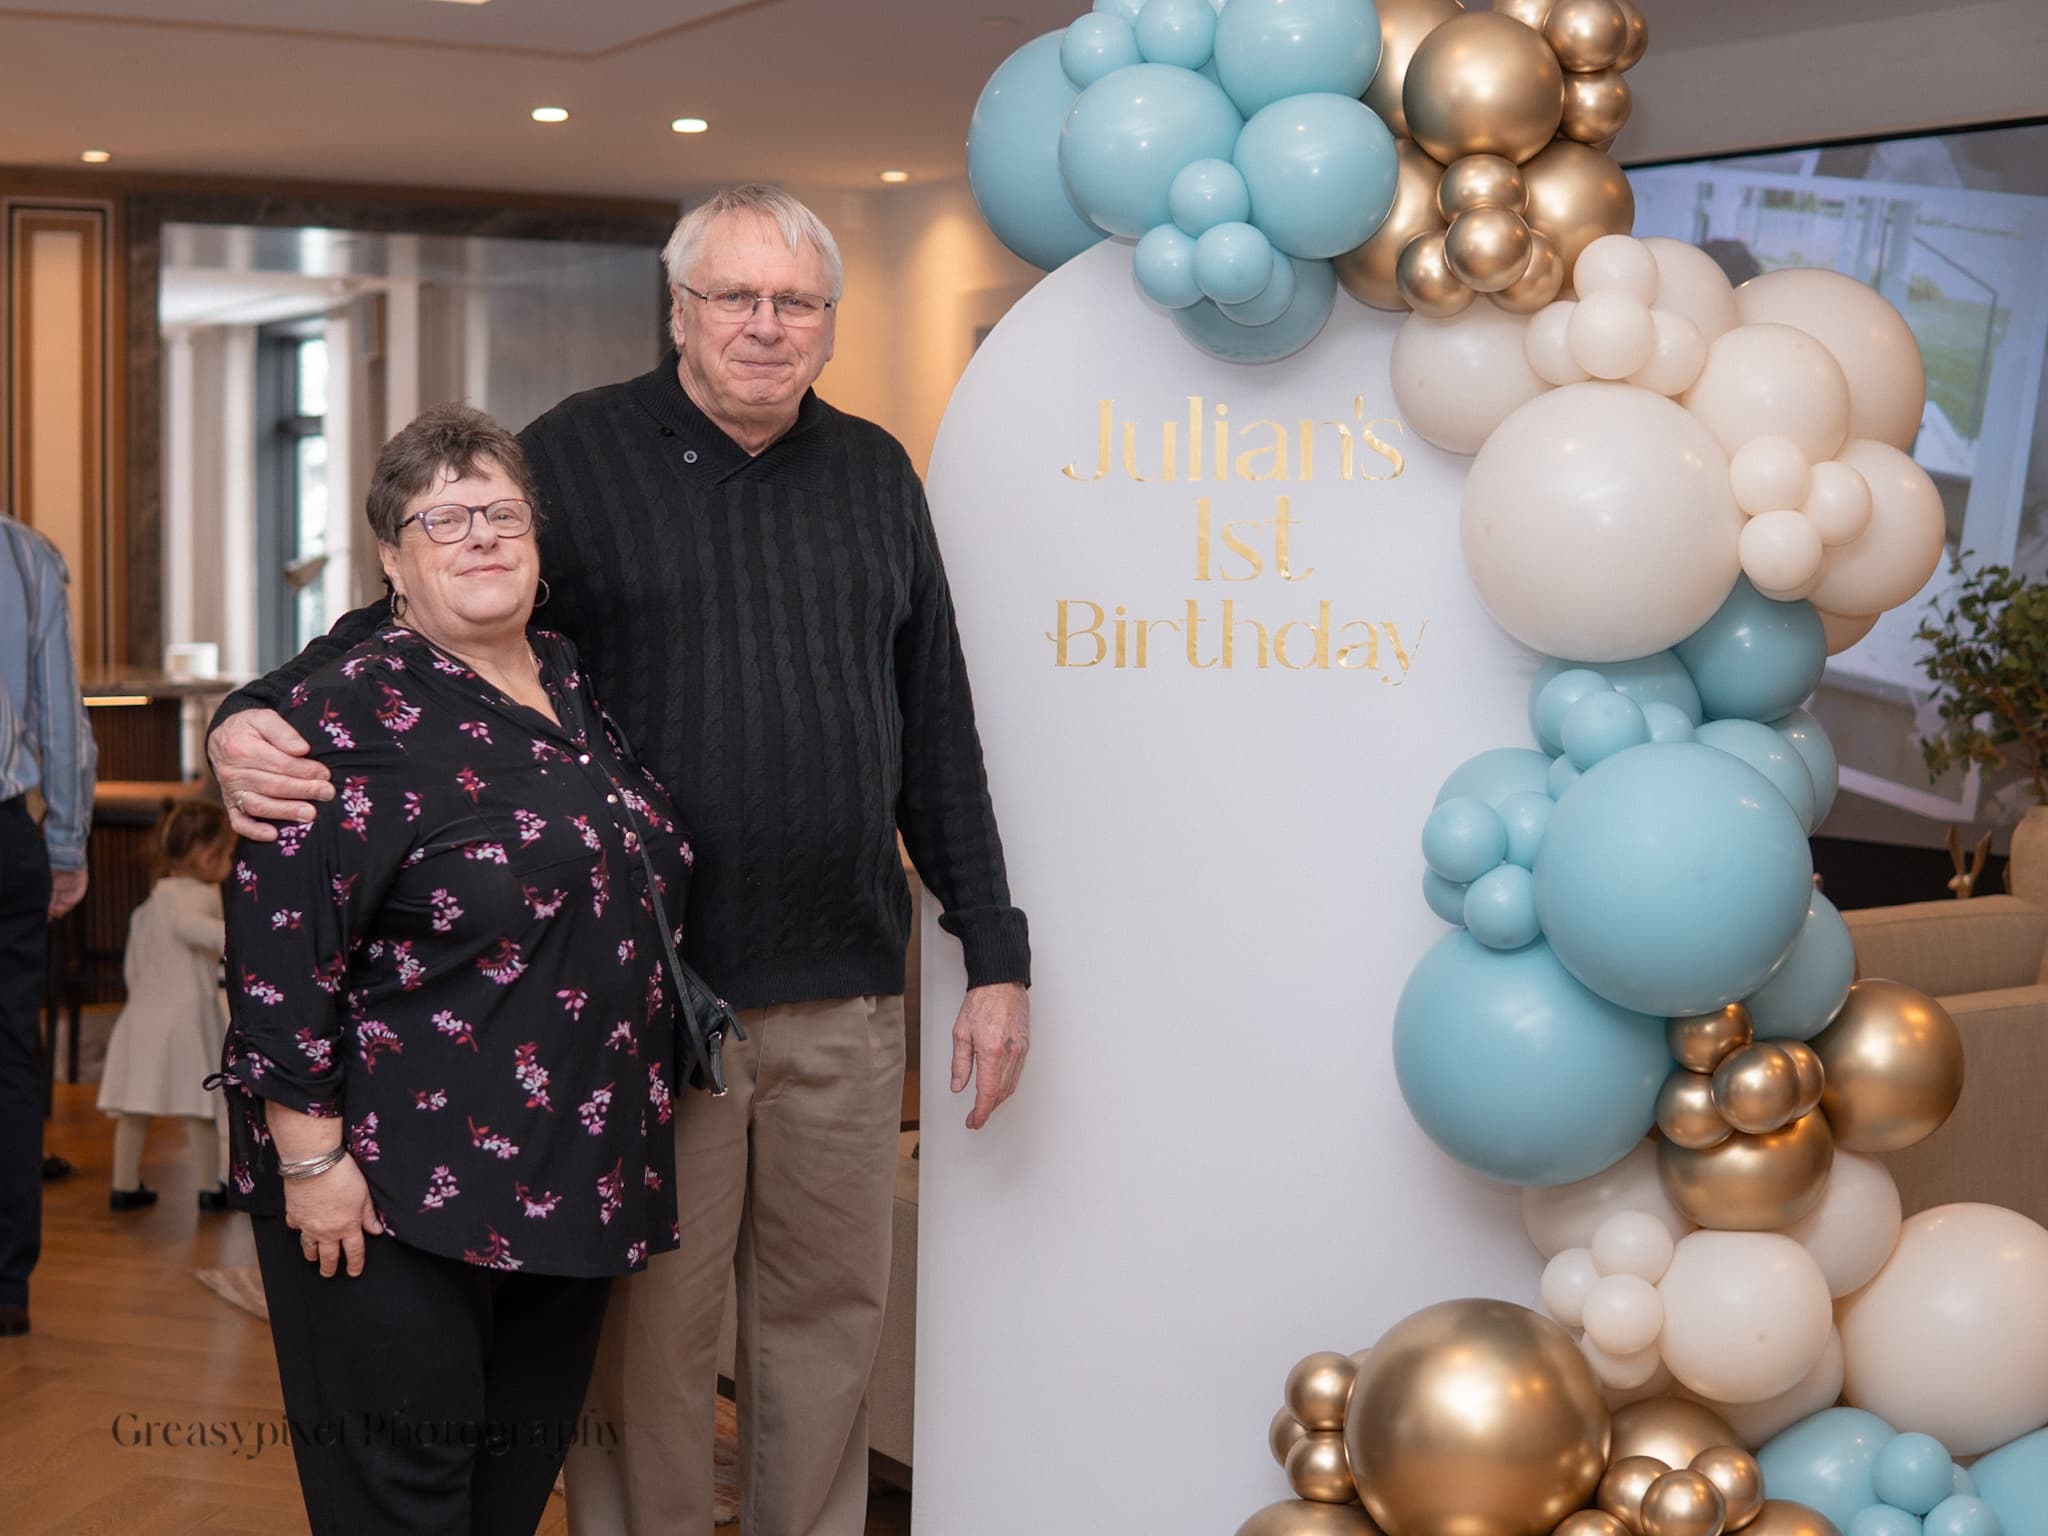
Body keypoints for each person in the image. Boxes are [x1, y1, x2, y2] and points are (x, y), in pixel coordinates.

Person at [208, 184, 1032, 1536]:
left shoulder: (881, 472)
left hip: (844, 989)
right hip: (645, 1005)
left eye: (796, 303)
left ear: (829, 323)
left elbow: (934, 720)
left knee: (832, 1327)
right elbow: (429, 596)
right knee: (648, 1347)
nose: (766, 326)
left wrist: (989, 949)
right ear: (681, 312)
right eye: (735, 298)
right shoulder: (576, 459)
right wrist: (255, 712)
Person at [213, 404, 693, 1536]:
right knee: (403, 1502)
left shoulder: (568, 682)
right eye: (442, 519)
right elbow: (278, 961)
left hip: (575, 1177)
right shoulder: (330, 718)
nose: (478, 537)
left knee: (504, 1499)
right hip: (388, 1191)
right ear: (391, 557)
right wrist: (312, 1158)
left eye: (500, 513)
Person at [0, 511, 96, 1339]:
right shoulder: (24, 555)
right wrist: (65, 842)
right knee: (9, 1058)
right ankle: (4, 1288)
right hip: (4, 837)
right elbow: (63, 719)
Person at [96, 798, 235, 1213]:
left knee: (136, 1106)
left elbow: (133, 967)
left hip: (143, 1014)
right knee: (200, 1107)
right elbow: (190, 928)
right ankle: (212, 1186)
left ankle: (124, 1185)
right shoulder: (197, 895)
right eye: (227, 855)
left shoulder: (149, 904)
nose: (229, 864)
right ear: (207, 856)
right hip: (187, 1016)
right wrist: (239, 938)